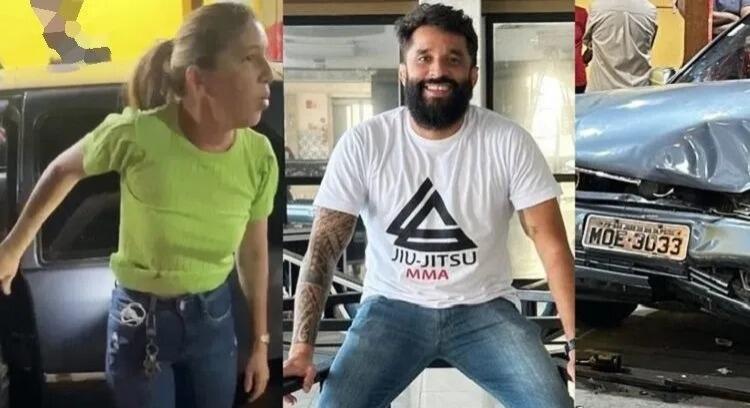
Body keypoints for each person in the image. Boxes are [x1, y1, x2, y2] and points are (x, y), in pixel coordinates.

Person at [283, 4, 575, 407]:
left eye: (453, 59)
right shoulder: (365, 142)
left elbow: (552, 245)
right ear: (403, 72)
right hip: (391, 309)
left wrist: (575, 343)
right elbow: (323, 248)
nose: (438, 71)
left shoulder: (508, 141)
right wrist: (301, 350)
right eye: (424, 58)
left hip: (484, 308)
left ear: (473, 74)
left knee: (552, 403)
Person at [0, 3, 278, 407]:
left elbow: (253, 252)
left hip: (213, 322)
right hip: (140, 323)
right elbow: (62, 170)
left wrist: (260, 343)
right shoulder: (137, 134)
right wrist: (12, 248)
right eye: (250, 58)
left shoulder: (259, 156)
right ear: (199, 80)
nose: (267, 73)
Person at [584, 0, 658, 91]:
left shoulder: (597, 7)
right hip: (639, 90)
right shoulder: (650, 10)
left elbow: (591, 44)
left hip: (601, 91)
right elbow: (648, 46)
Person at [575, 5, 590, 94]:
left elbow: (593, 41)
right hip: (553, 75)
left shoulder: (581, 13)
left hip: (577, 78)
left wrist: (584, 61)